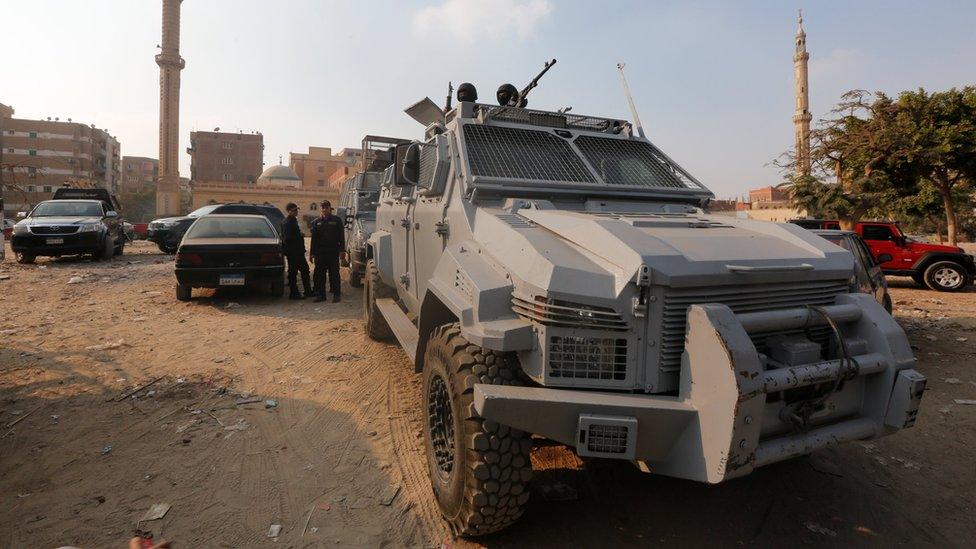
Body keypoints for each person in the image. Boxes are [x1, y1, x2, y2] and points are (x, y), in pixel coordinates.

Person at [309, 200, 346, 303]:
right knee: (320, 274)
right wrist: (312, 253)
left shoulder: (337, 220)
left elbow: (341, 237)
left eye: (326, 208)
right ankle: (321, 295)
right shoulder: (317, 222)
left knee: (334, 273)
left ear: (330, 209)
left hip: (333, 252)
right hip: (320, 253)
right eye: (323, 208)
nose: (324, 210)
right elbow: (314, 240)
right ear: (321, 209)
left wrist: (342, 250)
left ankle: (336, 294)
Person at [281, 202, 311, 299]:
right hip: (294, 252)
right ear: (289, 211)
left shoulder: (293, 221)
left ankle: (306, 291)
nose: (296, 212)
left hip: (297, 252)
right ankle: (294, 293)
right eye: (294, 210)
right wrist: (300, 235)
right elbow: (287, 238)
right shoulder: (287, 223)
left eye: (297, 210)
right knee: (295, 273)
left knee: (302, 271)